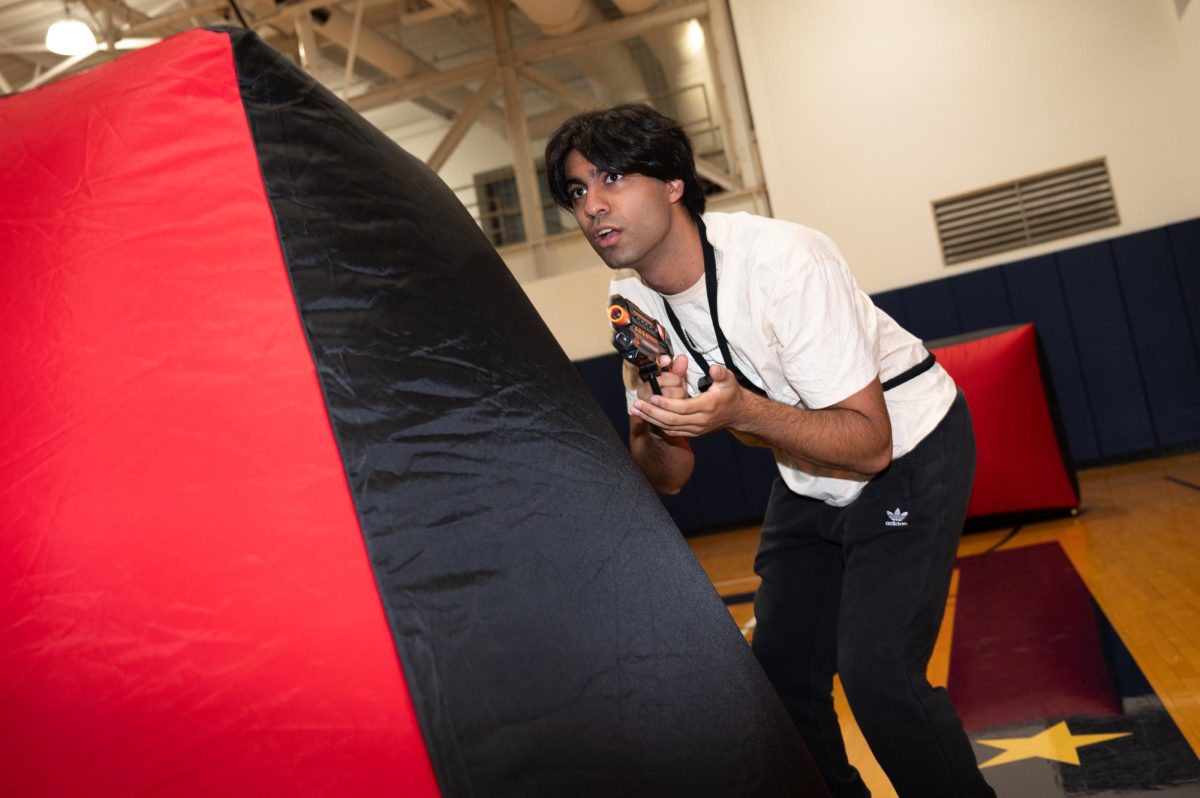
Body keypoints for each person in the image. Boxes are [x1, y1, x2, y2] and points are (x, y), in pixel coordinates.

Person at [545, 104, 996, 798]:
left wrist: (743, 411)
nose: (593, 206)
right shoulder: (629, 296)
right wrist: (659, 417)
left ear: (672, 183)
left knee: (879, 676)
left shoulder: (787, 260)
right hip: (807, 469)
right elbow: (665, 480)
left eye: (612, 178)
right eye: (577, 191)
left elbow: (870, 446)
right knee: (779, 682)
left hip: (907, 450)